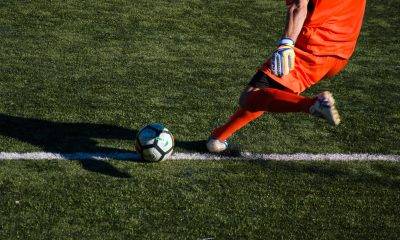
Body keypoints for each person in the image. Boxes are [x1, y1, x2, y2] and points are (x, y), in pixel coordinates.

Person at [206, 0, 366, 153]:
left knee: (249, 96)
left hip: (313, 48)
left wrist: (287, 43)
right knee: (268, 92)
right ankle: (218, 138)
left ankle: (312, 104)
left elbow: (299, 6)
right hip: (342, 53)